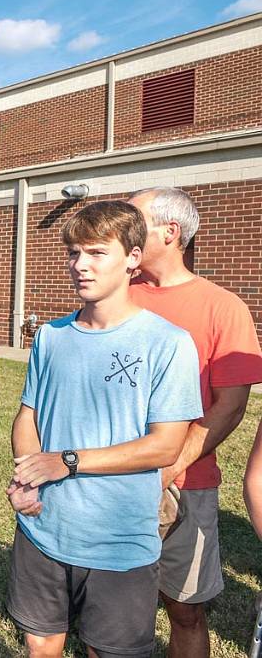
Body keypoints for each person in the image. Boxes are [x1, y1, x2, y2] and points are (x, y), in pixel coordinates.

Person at [7, 201, 202, 658]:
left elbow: (165, 445)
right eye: (73, 253)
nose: (80, 265)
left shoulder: (168, 343)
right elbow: (28, 415)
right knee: (40, 645)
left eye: (96, 252)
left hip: (120, 543)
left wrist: (67, 462)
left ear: (133, 258)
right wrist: (26, 475)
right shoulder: (52, 336)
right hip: (42, 529)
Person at [125, 187, 262, 658]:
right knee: (114, 608)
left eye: (134, 219)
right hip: (111, 477)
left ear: (170, 232)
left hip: (187, 481)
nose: (124, 228)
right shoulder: (116, 296)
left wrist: (171, 464)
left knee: (184, 609)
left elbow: (230, 405)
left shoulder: (223, 308)